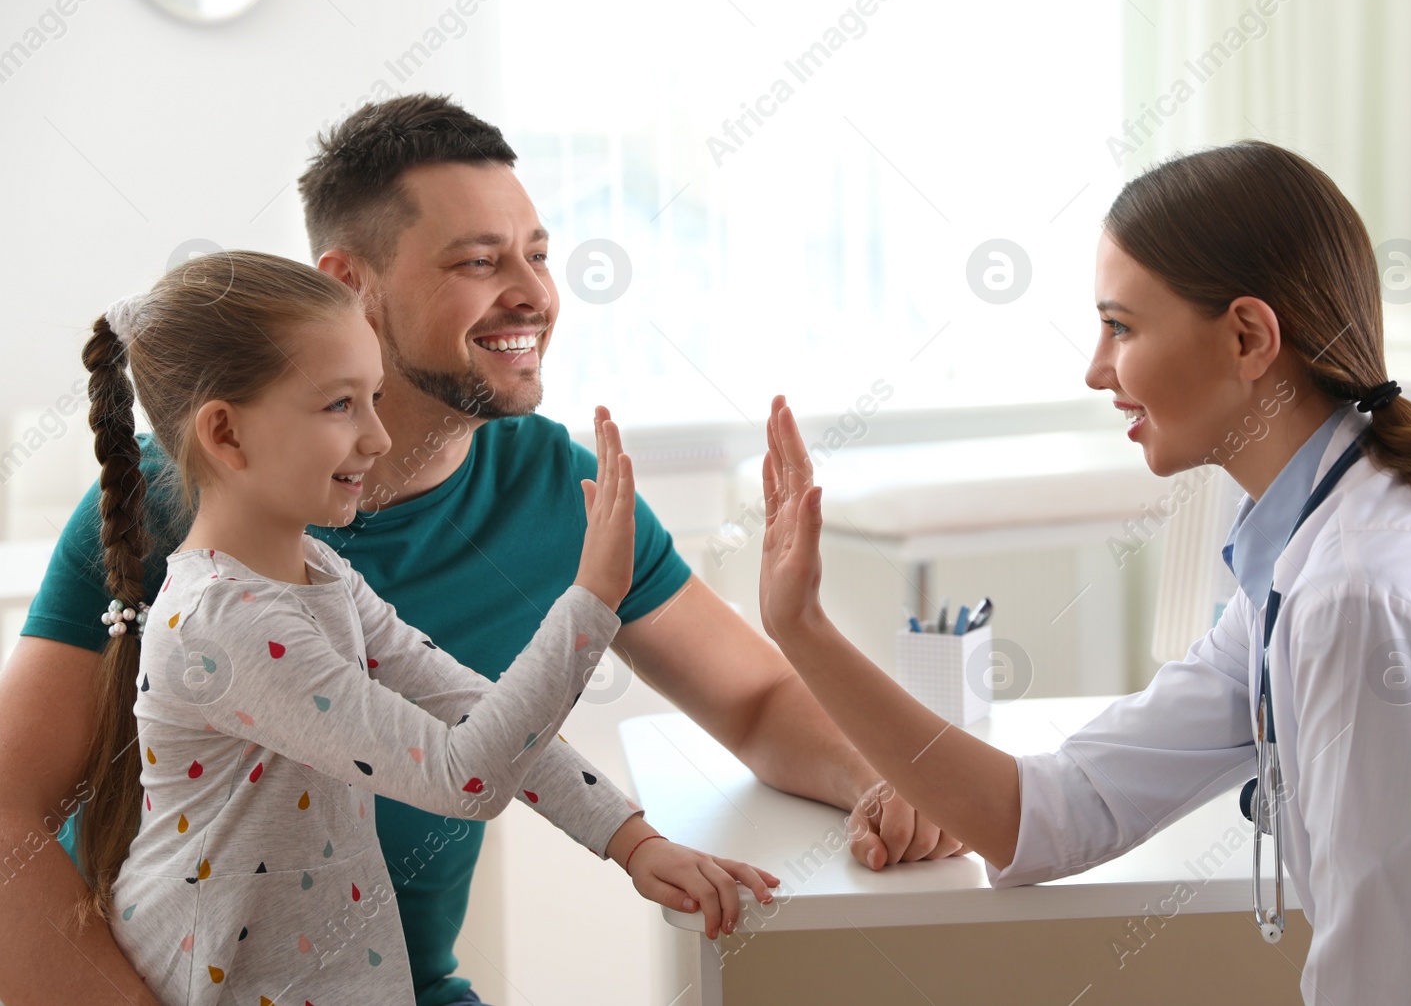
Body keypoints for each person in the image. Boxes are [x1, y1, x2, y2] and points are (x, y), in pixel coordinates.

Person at [0, 95, 956, 1006]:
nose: (534, 293)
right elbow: (8, 814)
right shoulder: (183, 520)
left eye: (538, 254)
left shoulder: (542, 489)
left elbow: (749, 696)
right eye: (477, 261)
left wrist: (881, 779)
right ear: (350, 285)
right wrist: (592, 600)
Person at [755, 141, 1411, 1005]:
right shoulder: (1308, 552)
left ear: (1247, 337)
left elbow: (1383, 992)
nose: (1095, 368)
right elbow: (1050, 811)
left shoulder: (1363, 593)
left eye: (1120, 326)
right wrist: (803, 630)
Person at [83, 249, 776, 1004]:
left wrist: (632, 840)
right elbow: (463, 776)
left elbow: (476, 713)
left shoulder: (320, 572)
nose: (378, 437)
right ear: (226, 434)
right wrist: (591, 601)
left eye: (374, 396)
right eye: (339, 405)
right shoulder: (225, 625)